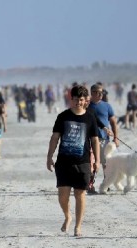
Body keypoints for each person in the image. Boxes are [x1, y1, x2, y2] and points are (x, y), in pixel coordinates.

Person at [46, 85, 100, 237]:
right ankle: (67, 216)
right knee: (62, 195)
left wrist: (97, 160)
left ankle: (78, 226)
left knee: (80, 194)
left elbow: (95, 140)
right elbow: (55, 137)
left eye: (81, 100)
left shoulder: (90, 117)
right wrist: (49, 156)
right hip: (63, 161)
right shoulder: (63, 117)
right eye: (75, 99)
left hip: (83, 162)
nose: (78, 103)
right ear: (71, 100)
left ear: (85, 101)